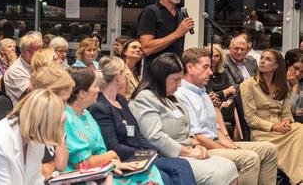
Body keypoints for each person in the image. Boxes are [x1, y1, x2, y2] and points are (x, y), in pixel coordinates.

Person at [129, 53, 238, 185]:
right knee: (218, 174)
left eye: (180, 79)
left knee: (229, 166)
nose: (179, 85)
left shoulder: (171, 97)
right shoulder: (145, 98)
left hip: (189, 149)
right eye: (176, 80)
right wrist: (189, 152)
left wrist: (197, 145)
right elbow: (154, 136)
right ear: (160, 77)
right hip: (168, 155)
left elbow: (188, 128)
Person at [175, 48, 277, 185]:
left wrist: (233, 148)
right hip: (203, 148)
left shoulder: (203, 92)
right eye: (206, 67)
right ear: (190, 68)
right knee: (249, 158)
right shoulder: (181, 94)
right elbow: (198, 137)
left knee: (269, 149)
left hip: (216, 142)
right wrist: (228, 150)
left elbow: (216, 131)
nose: (210, 72)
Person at [89, 56, 196, 185]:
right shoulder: (100, 107)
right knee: (172, 171)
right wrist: (143, 153)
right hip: (125, 159)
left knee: (180, 165)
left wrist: (150, 151)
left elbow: (137, 134)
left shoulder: (121, 100)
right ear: (118, 76)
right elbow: (112, 146)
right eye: (125, 72)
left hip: (141, 154)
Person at [64, 67, 164, 184]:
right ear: (82, 93)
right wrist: (111, 156)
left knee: (150, 171)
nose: (98, 90)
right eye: (95, 86)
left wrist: (116, 164)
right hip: (82, 177)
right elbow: (81, 163)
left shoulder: (86, 114)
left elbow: (101, 150)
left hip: (103, 169)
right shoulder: (67, 119)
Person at [240, 49, 303, 184]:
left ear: (276, 66)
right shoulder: (248, 84)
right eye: (262, 58)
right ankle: (299, 179)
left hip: (281, 128)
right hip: (262, 131)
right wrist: (274, 126)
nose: (262, 61)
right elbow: (251, 118)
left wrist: (286, 121)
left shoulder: (283, 85)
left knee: (299, 128)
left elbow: (286, 113)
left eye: (268, 59)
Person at [137, 0, 194, 65]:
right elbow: (146, 48)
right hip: (156, 73)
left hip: (176, 72)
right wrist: (177, 34)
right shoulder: (151, 11)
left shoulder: (180, 14)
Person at [4, 32, 43, 105]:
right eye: (38, 52)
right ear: (26, 52)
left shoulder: (35, 65)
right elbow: (33, 93)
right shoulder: (16, 70)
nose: (41, 55)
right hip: (22, 112)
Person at [285, 49, 303, 122]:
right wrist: (295, 86)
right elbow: (288, 111)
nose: (298, 74)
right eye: (296, 68)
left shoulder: (301, 83)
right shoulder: (277, 83)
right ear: (288, 64)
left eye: (302, 72)